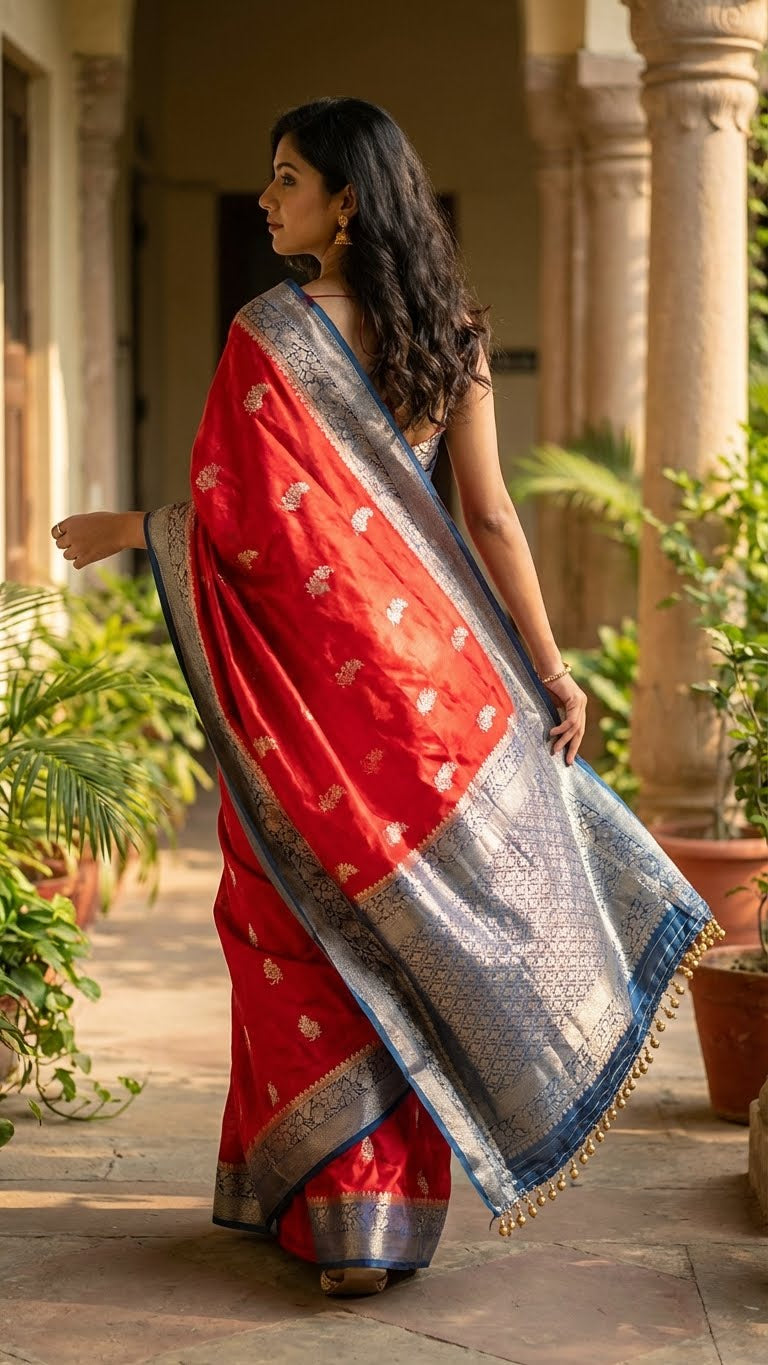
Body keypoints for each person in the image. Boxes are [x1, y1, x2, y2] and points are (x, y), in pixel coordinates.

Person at [52, 97, 717, 1298]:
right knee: (412, 950)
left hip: (313, 712)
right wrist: (552, 672)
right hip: (435, 703)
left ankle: (332, 1218)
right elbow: (491, 519)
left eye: (288, 176)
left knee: (295, 938)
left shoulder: (270, 331)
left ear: (347, 200)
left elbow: (249, 525)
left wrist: (132, 532)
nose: (267, 197)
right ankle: (377, 1226)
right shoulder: (451, 334)